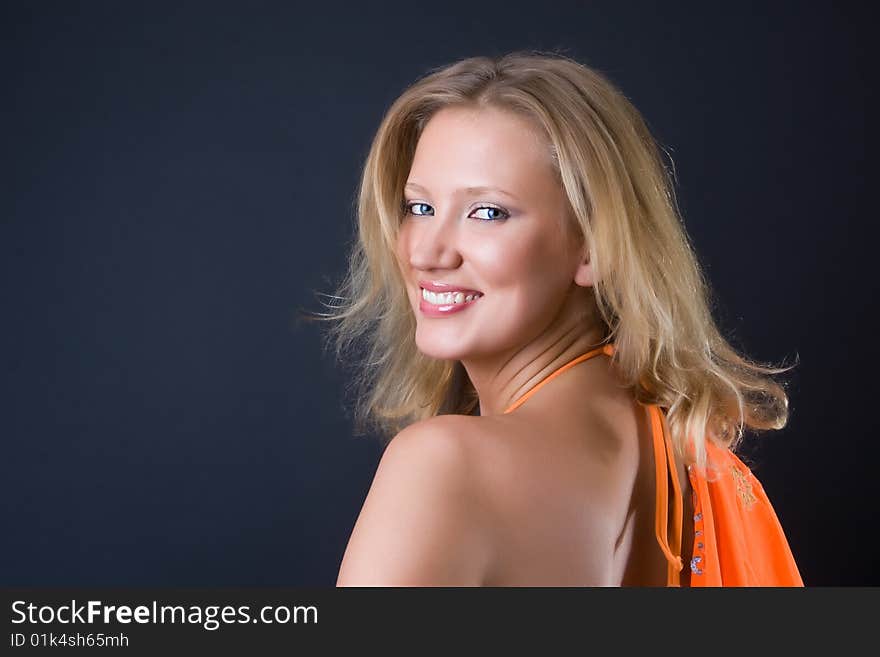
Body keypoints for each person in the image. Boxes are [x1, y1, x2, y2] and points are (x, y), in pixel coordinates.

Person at [319, 50, 803, 586]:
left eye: (487, 212)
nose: (429, 252)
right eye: (420, 207)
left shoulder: (444, 465)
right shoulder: (682, 447)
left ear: (594, 247)